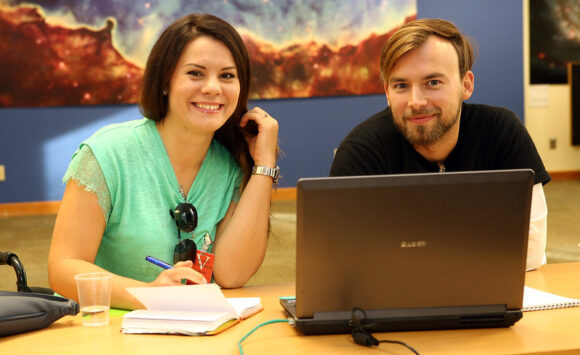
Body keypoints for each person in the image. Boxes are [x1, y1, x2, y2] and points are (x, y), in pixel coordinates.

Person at [48, 14, 280, 310]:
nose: (213, 88)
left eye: (227, 75)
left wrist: (264, 165)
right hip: (102, 331)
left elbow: (232, 274)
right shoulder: (108, 153)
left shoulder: (230, 167)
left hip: (186, 332)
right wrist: (148, 295)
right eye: (196, 73)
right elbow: (63, 267)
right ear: (165, 82)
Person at [330, 18, 550, 271]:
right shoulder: (362, 152)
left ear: (466, 85)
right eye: (401, 85)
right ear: (387, 94)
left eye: (432, 82)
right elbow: (346, 262)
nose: (416, 101)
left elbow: (530, 248)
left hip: (491, 298)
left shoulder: (501, 131)